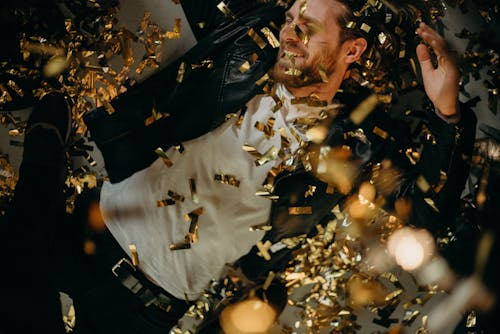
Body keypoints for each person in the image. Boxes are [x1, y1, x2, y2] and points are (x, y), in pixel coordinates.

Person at [0, 0, 476, 333]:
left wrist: (448, 113)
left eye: (307, 23)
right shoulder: (248, 49)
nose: (290, 29)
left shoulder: (355, 151)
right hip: (76, 233)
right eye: (290, 16)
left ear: (352, 49)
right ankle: (46, 144)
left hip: (141, 314)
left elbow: (426, 213)